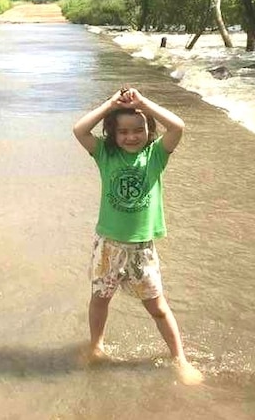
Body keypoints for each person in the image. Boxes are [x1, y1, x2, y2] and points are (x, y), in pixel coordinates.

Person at [72, 86, 203, 385]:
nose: (131, 136)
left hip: (142, 249)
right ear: (113, 135)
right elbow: (79, 130)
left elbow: (178, 126)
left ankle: (179, 358)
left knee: (157, 307)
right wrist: (110, 104)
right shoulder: (106, 155)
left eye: (138, 130)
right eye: (123, 131)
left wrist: (143, 102)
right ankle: (96, 347)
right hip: (108, 245)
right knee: (100, 299)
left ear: (149, 131)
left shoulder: (155, 155)